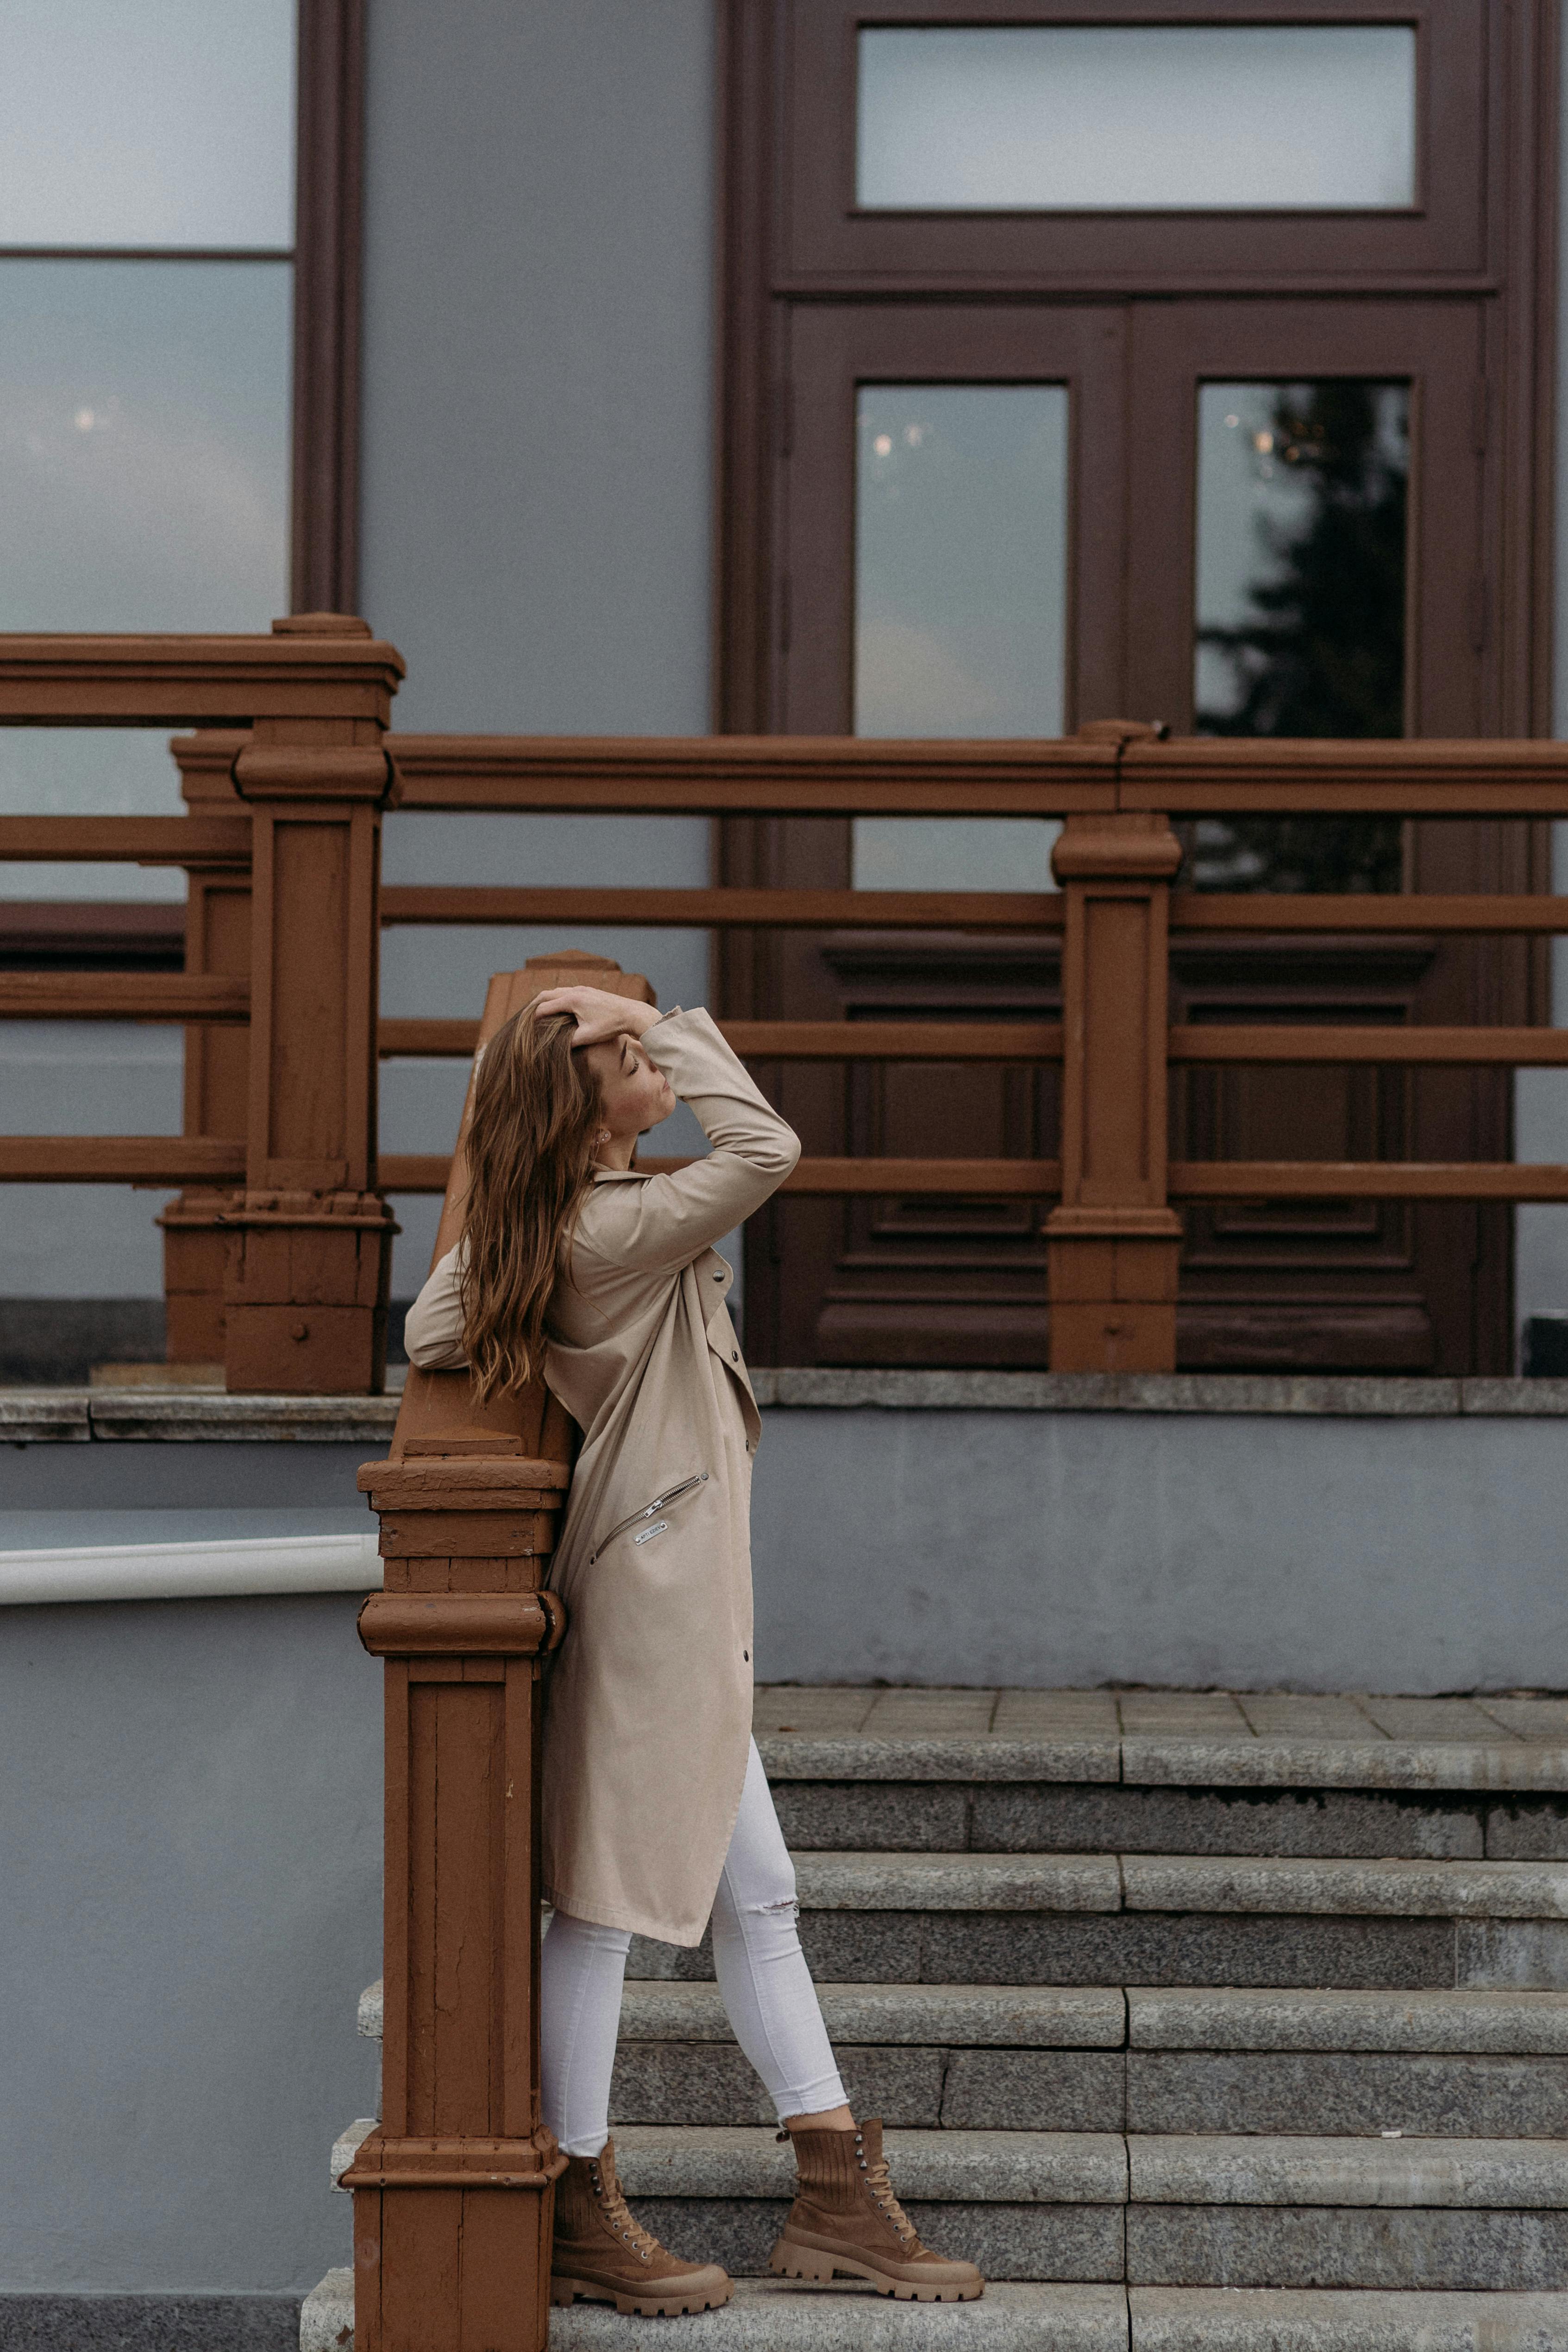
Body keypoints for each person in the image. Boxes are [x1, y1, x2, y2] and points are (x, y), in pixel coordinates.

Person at [404, 985, 985, 2319]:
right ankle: (578, 2198)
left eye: (645, 1045)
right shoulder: (611, 1227)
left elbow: (438, 1328)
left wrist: (518, 1258)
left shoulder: (574, 1230)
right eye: (625, 1056)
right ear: (577, 1099)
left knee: (757, 1892)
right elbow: (768, 1151)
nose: (647, 1057)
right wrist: (655, 1015)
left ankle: (834, 2189)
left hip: (675, 1594)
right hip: (656, 1602)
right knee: (606, 1908)